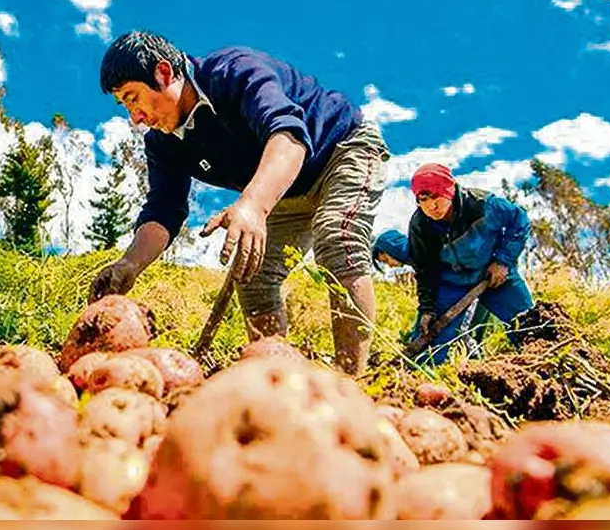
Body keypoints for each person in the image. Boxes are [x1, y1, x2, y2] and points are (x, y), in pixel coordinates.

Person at [87, 30, 391, 377]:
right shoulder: (163, 144)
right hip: (286, 192)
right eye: (125, 105)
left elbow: (289, 137)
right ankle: (273, 380)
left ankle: (351, 382)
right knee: (253, 274)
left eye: (133, 97)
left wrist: (253, 206)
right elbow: (164, 209)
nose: (134, 117)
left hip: (340, 150)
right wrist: (129, 264)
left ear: (163, 73)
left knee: (337, 236)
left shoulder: (235, 72)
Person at [405, 162, 535, 365]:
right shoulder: (420, 225)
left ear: (449, 190)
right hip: (452, 284)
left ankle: (549, 370)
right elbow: (425, 270)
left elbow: (519, 221)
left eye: (437, 195)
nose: (432, 205)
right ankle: (415, 383)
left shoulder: (483, 205)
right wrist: (427, 308)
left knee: (529, 325)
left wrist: (502, 261)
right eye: (424, 199)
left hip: (494, 275)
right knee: (428, 344)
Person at [372, 229, 495, 349]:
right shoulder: (416, 257)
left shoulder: (422, 250)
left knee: (461, 330)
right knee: (465, 329)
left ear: (393, 248)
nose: (389, 265)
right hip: (474, 282)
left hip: (474, 282)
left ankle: (476, 359)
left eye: (386, 259)